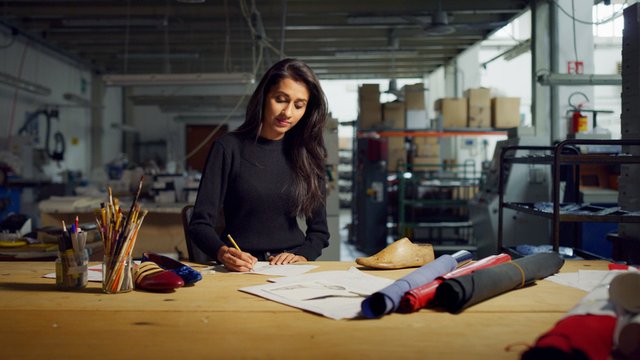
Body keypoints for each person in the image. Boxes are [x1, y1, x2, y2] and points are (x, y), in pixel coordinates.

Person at [188, 58, 330, 272]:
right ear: (264, 97)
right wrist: (223, 252)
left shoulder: (308, 154)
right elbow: (199, 224)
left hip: (290, 270)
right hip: (241, 266)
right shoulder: (228, 148)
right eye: (281, 99)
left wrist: (302, 255)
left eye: (299, 105)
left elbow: (319, 232)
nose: (288, 113)